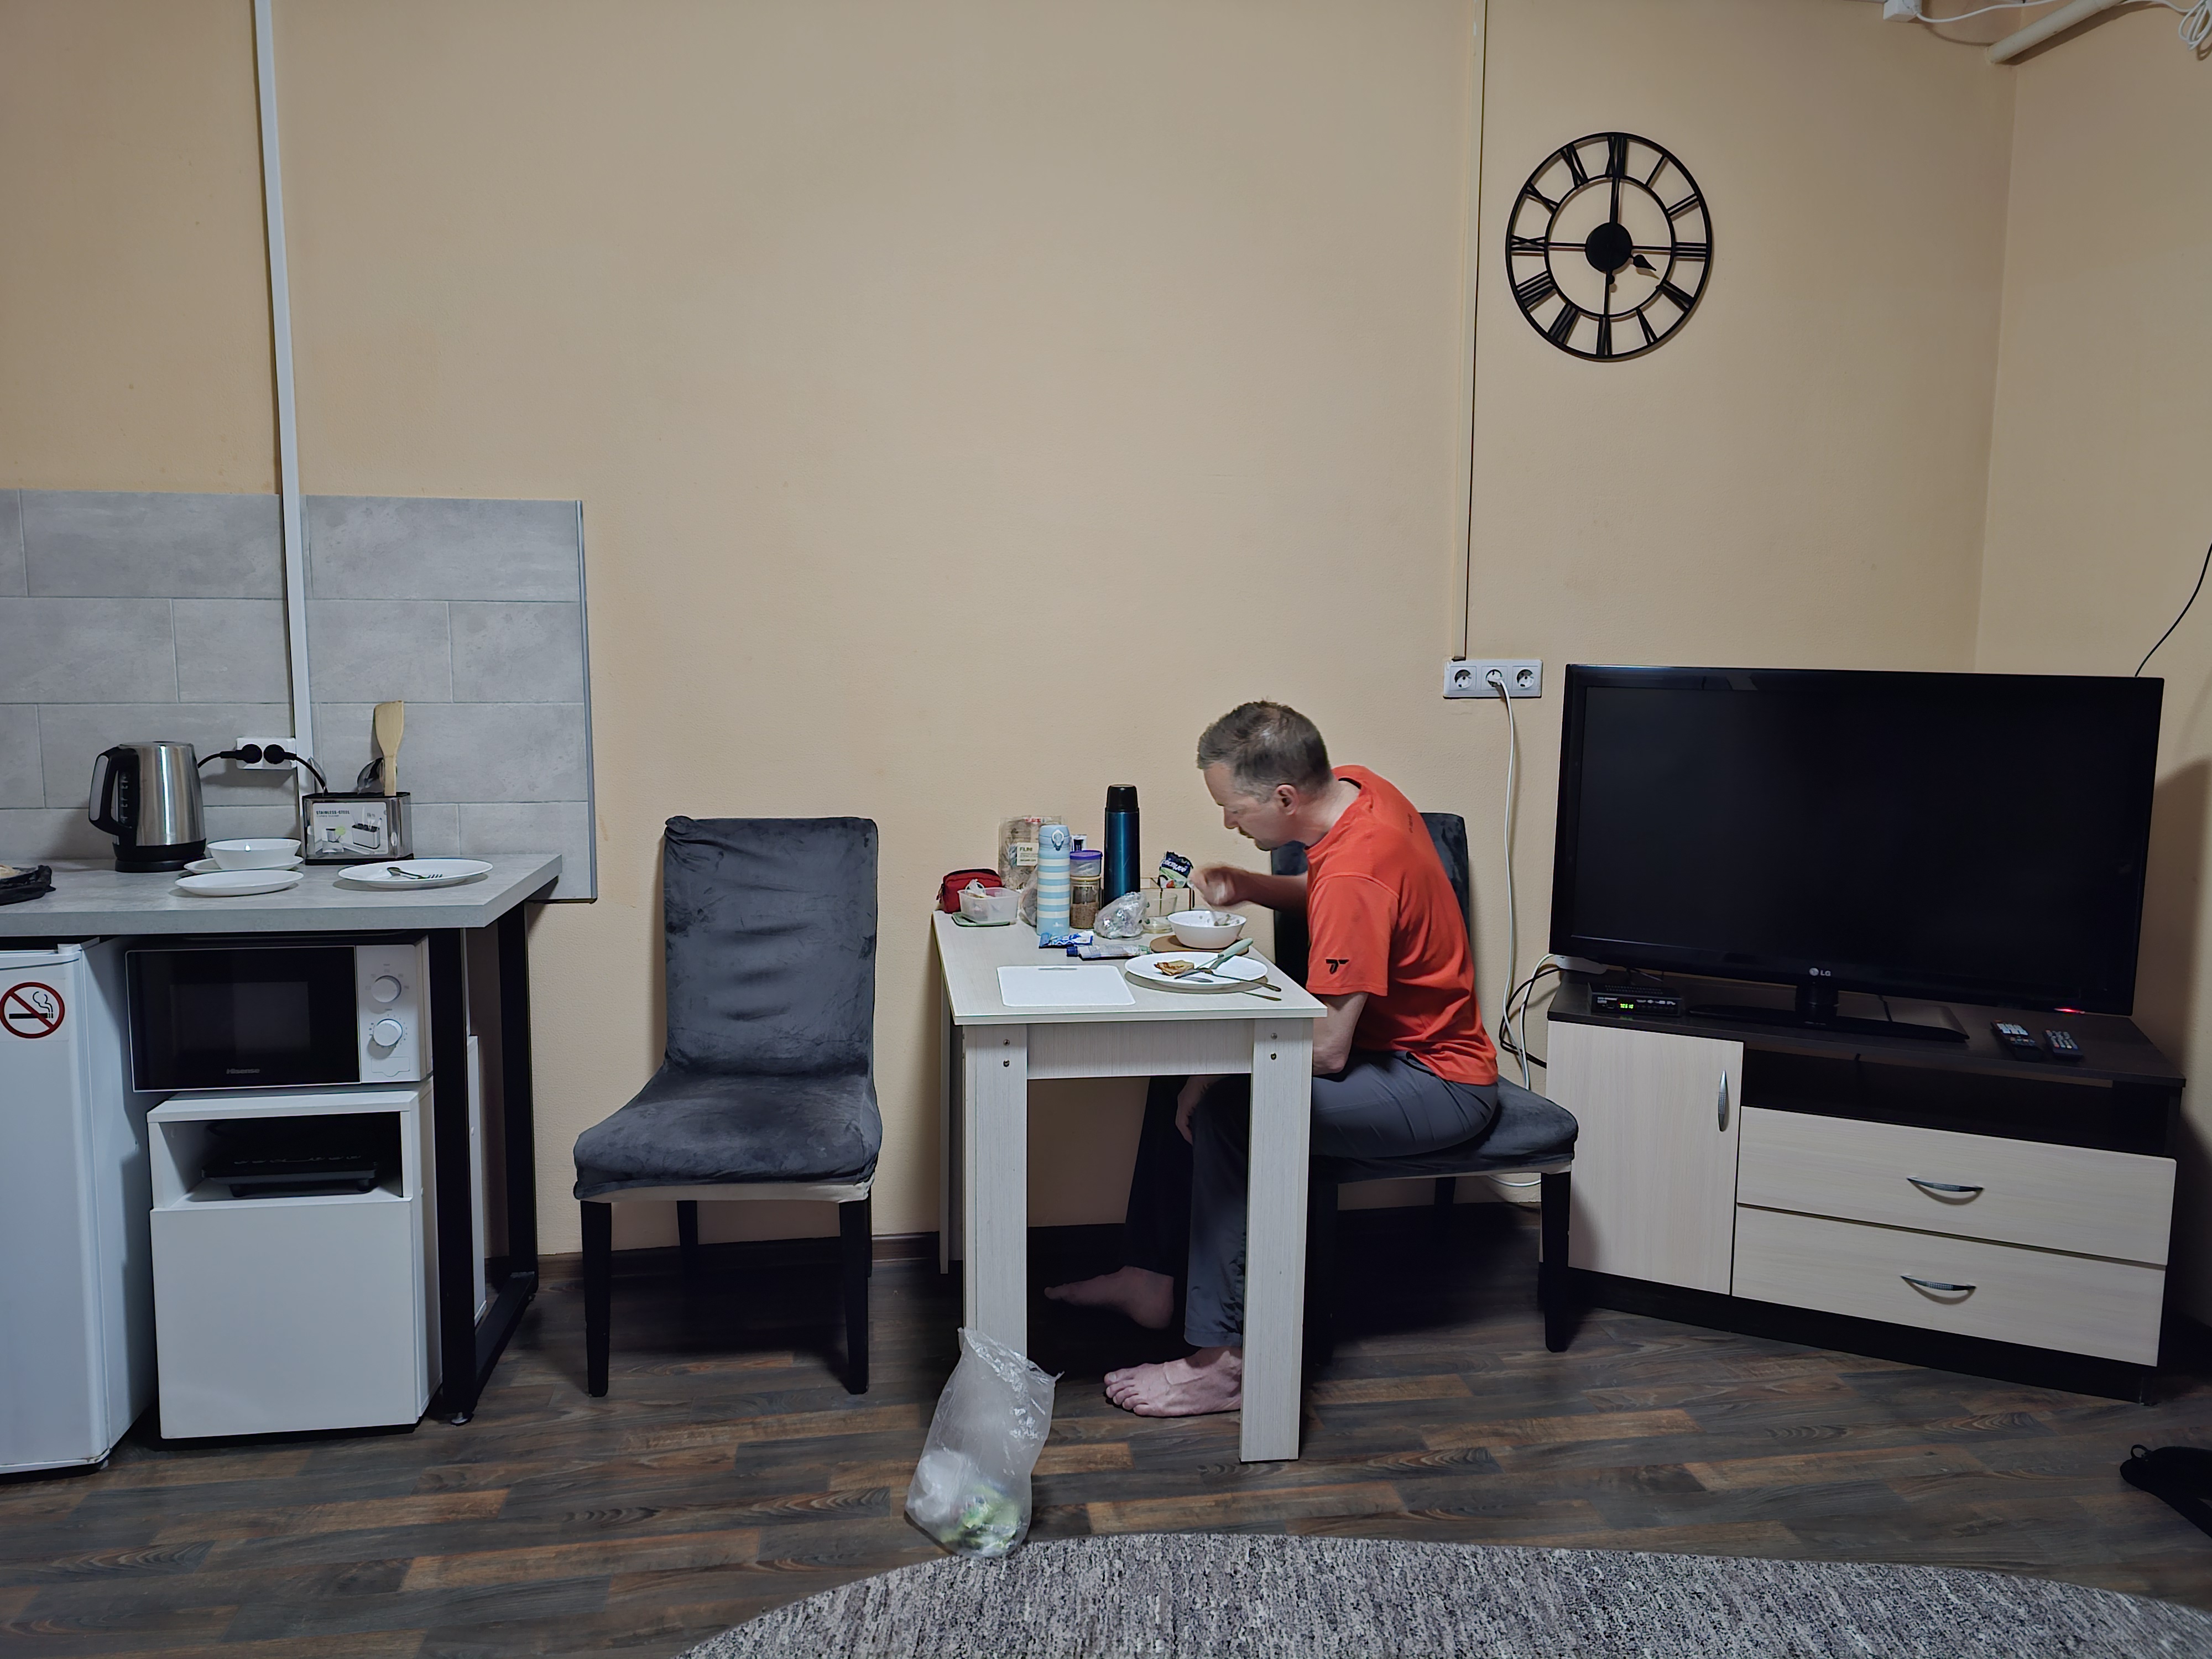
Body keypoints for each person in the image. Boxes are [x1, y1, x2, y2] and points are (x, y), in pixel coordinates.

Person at [1045, 701, 1499, 1416]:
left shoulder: (1359, 868)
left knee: (1227, 1111)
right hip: (1391, 1055)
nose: (1230, 823)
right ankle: (1150, 1278)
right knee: (1180, 1071)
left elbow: (1328, 1049)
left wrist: (1216, 1072)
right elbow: (1341, 893)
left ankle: (1224, 1363)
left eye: (1234, 809)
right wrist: (1252, 885)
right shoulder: (1354, 789)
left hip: (1437, 1079)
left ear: (1286, 797)